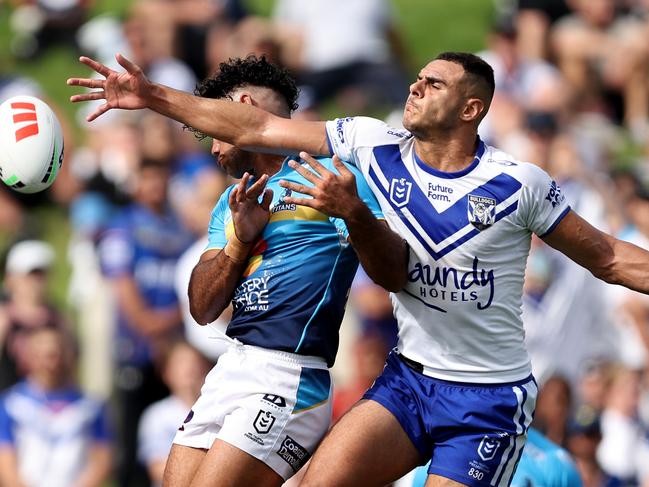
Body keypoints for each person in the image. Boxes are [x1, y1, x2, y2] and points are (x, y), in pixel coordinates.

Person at [68, 51, 649, 486]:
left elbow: (611, 257)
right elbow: (255, 129)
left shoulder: (518, 184)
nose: (416, 86)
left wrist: (352, 213)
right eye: (417, 77)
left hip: (486, 397)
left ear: (471, 108)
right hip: (410, 379)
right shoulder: (372, 144)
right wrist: (151, 97)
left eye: (435, 83)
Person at [78, 55, 401, 487]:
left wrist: (355, 215)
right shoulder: (230, 202)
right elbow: (202, 307)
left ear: (242, 108)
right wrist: (239, 241)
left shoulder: (331, 178)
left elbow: (391, 271)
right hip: (231, 368)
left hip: (290, 376)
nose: (211, 147)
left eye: (213, 129)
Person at [0, 327, 112, 487]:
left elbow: (102, 460)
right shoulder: (10, 404)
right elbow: (6, 466)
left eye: (57, 353)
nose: (52, 362)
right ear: (29, 357)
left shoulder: (91, 406)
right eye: (44, 355)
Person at [138, 341, 212, 487]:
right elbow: (157, 468)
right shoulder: (157, 416)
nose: (190, 369)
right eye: (181, 363)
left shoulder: (219, 412)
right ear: (167, 374)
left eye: (195, 363)